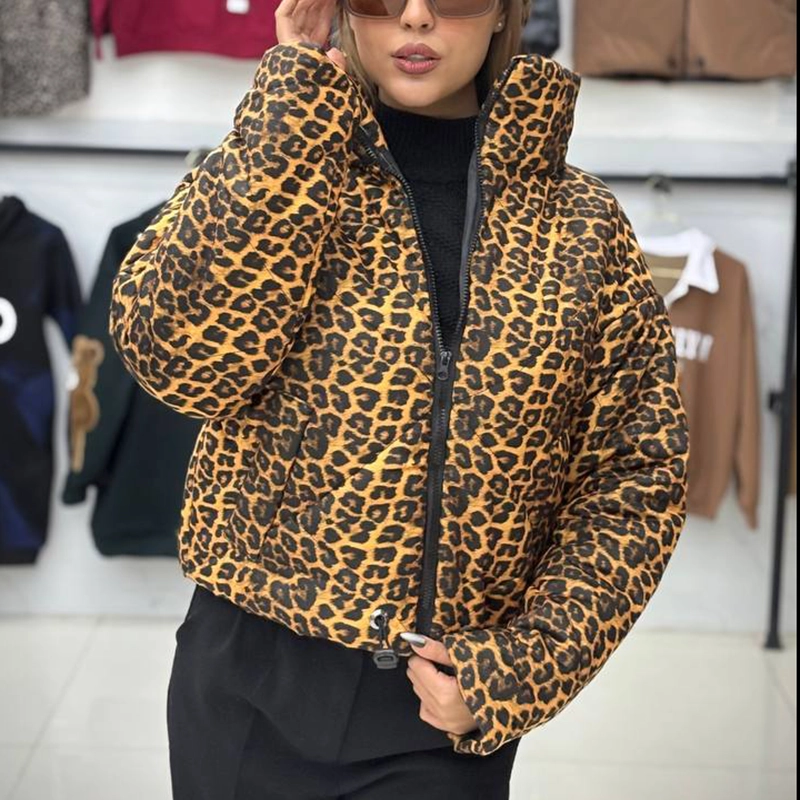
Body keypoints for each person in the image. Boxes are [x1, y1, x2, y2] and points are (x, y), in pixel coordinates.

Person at [109, 0, 690, 796]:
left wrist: (521, 669)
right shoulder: (287, 164)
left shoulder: (583, 227)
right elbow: (176, 359)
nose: (416, 16)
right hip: (250, 677)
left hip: (443, 700)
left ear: (502, 14)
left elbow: (635, 475)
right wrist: (293, 102)